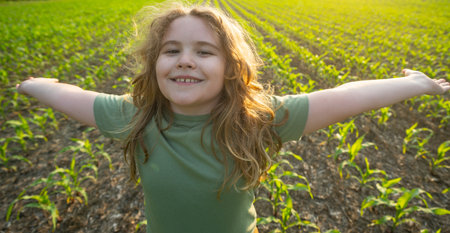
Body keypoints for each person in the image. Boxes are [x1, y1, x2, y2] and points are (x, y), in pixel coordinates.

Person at [15, 4, 449, 233]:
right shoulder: (134, 116)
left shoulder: (258, 119)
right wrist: (36, 84)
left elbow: (345, 96)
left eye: (204, 52)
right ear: (153, 66)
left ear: (230, 68)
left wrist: (417, 85)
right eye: (171, 51)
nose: (186, 61)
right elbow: (72, 97)